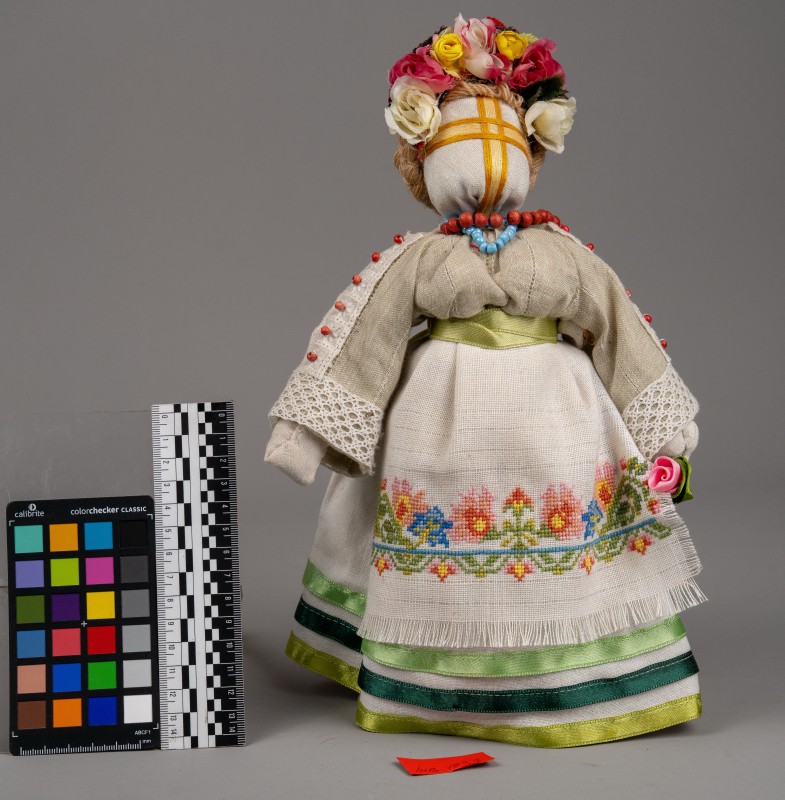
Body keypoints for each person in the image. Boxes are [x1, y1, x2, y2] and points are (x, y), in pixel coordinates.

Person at [265, 14, 704, 747]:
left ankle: (567, 667)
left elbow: (618, 327)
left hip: (558, 413)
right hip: (438, 409)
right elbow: (363, 336)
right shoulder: (419, 257)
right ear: (424, 157)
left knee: (563, 522)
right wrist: (307, 433)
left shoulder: (562, 251)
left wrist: (664, 428)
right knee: (432, 515)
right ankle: (436, 673)